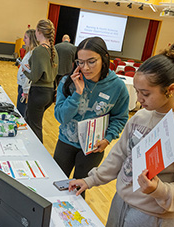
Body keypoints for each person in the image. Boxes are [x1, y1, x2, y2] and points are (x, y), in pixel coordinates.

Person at [69, 42, 174, 227]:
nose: (138, 99)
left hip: (153, 217)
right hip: (120, 204)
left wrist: (159, 189)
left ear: (170, 90)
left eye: (145, 93)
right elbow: (120, 154)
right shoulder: (141, 115)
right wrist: (91, 180)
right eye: (137, 91)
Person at [53, 37, 129, 183]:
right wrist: (77, 94)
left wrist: (108, 139)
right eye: (80, 62)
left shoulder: (117, 87)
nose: (85, 68)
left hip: (92, 148)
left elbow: (120, 117)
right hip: (66, 142)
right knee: (56, 183)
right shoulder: (68, 82)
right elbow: (61, 117)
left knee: (79, 188)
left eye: (91, 61)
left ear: (105, 58)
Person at [23, 19, 58, 143]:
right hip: (49, 92)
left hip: (38, 92)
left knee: (34, 127)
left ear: (38, 31)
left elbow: (34, 77)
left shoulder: (39, 50)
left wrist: (24, 70)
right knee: (34, 123)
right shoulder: (54, 51)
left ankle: (37, 154)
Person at [16, 29, 38, 117]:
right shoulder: (29, 52)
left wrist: (25, 90)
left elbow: (30, 74)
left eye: (26, 38)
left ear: (32, 39)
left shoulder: (33, 54)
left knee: (22, 112)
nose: (24, 40)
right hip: (22, 85)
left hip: (25, 88)